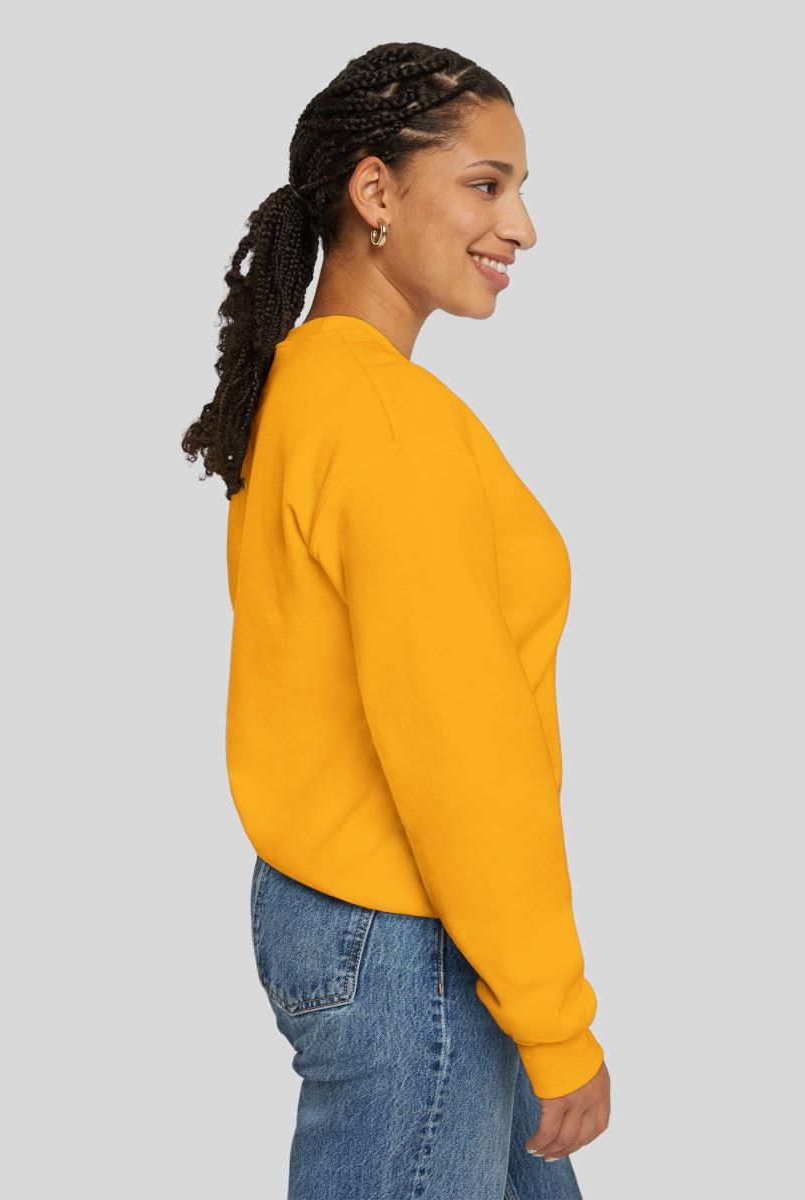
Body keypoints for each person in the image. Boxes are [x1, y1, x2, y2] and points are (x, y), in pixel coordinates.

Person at [183, 41, 611, 1200]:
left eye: (519, 188)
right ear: (376, 191)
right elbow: (458, 747)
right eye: (485, 184)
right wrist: (555, 1018)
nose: (521, 226)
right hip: (411, 933)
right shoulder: (386, 424)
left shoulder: (305, 390)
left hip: (355, 915)